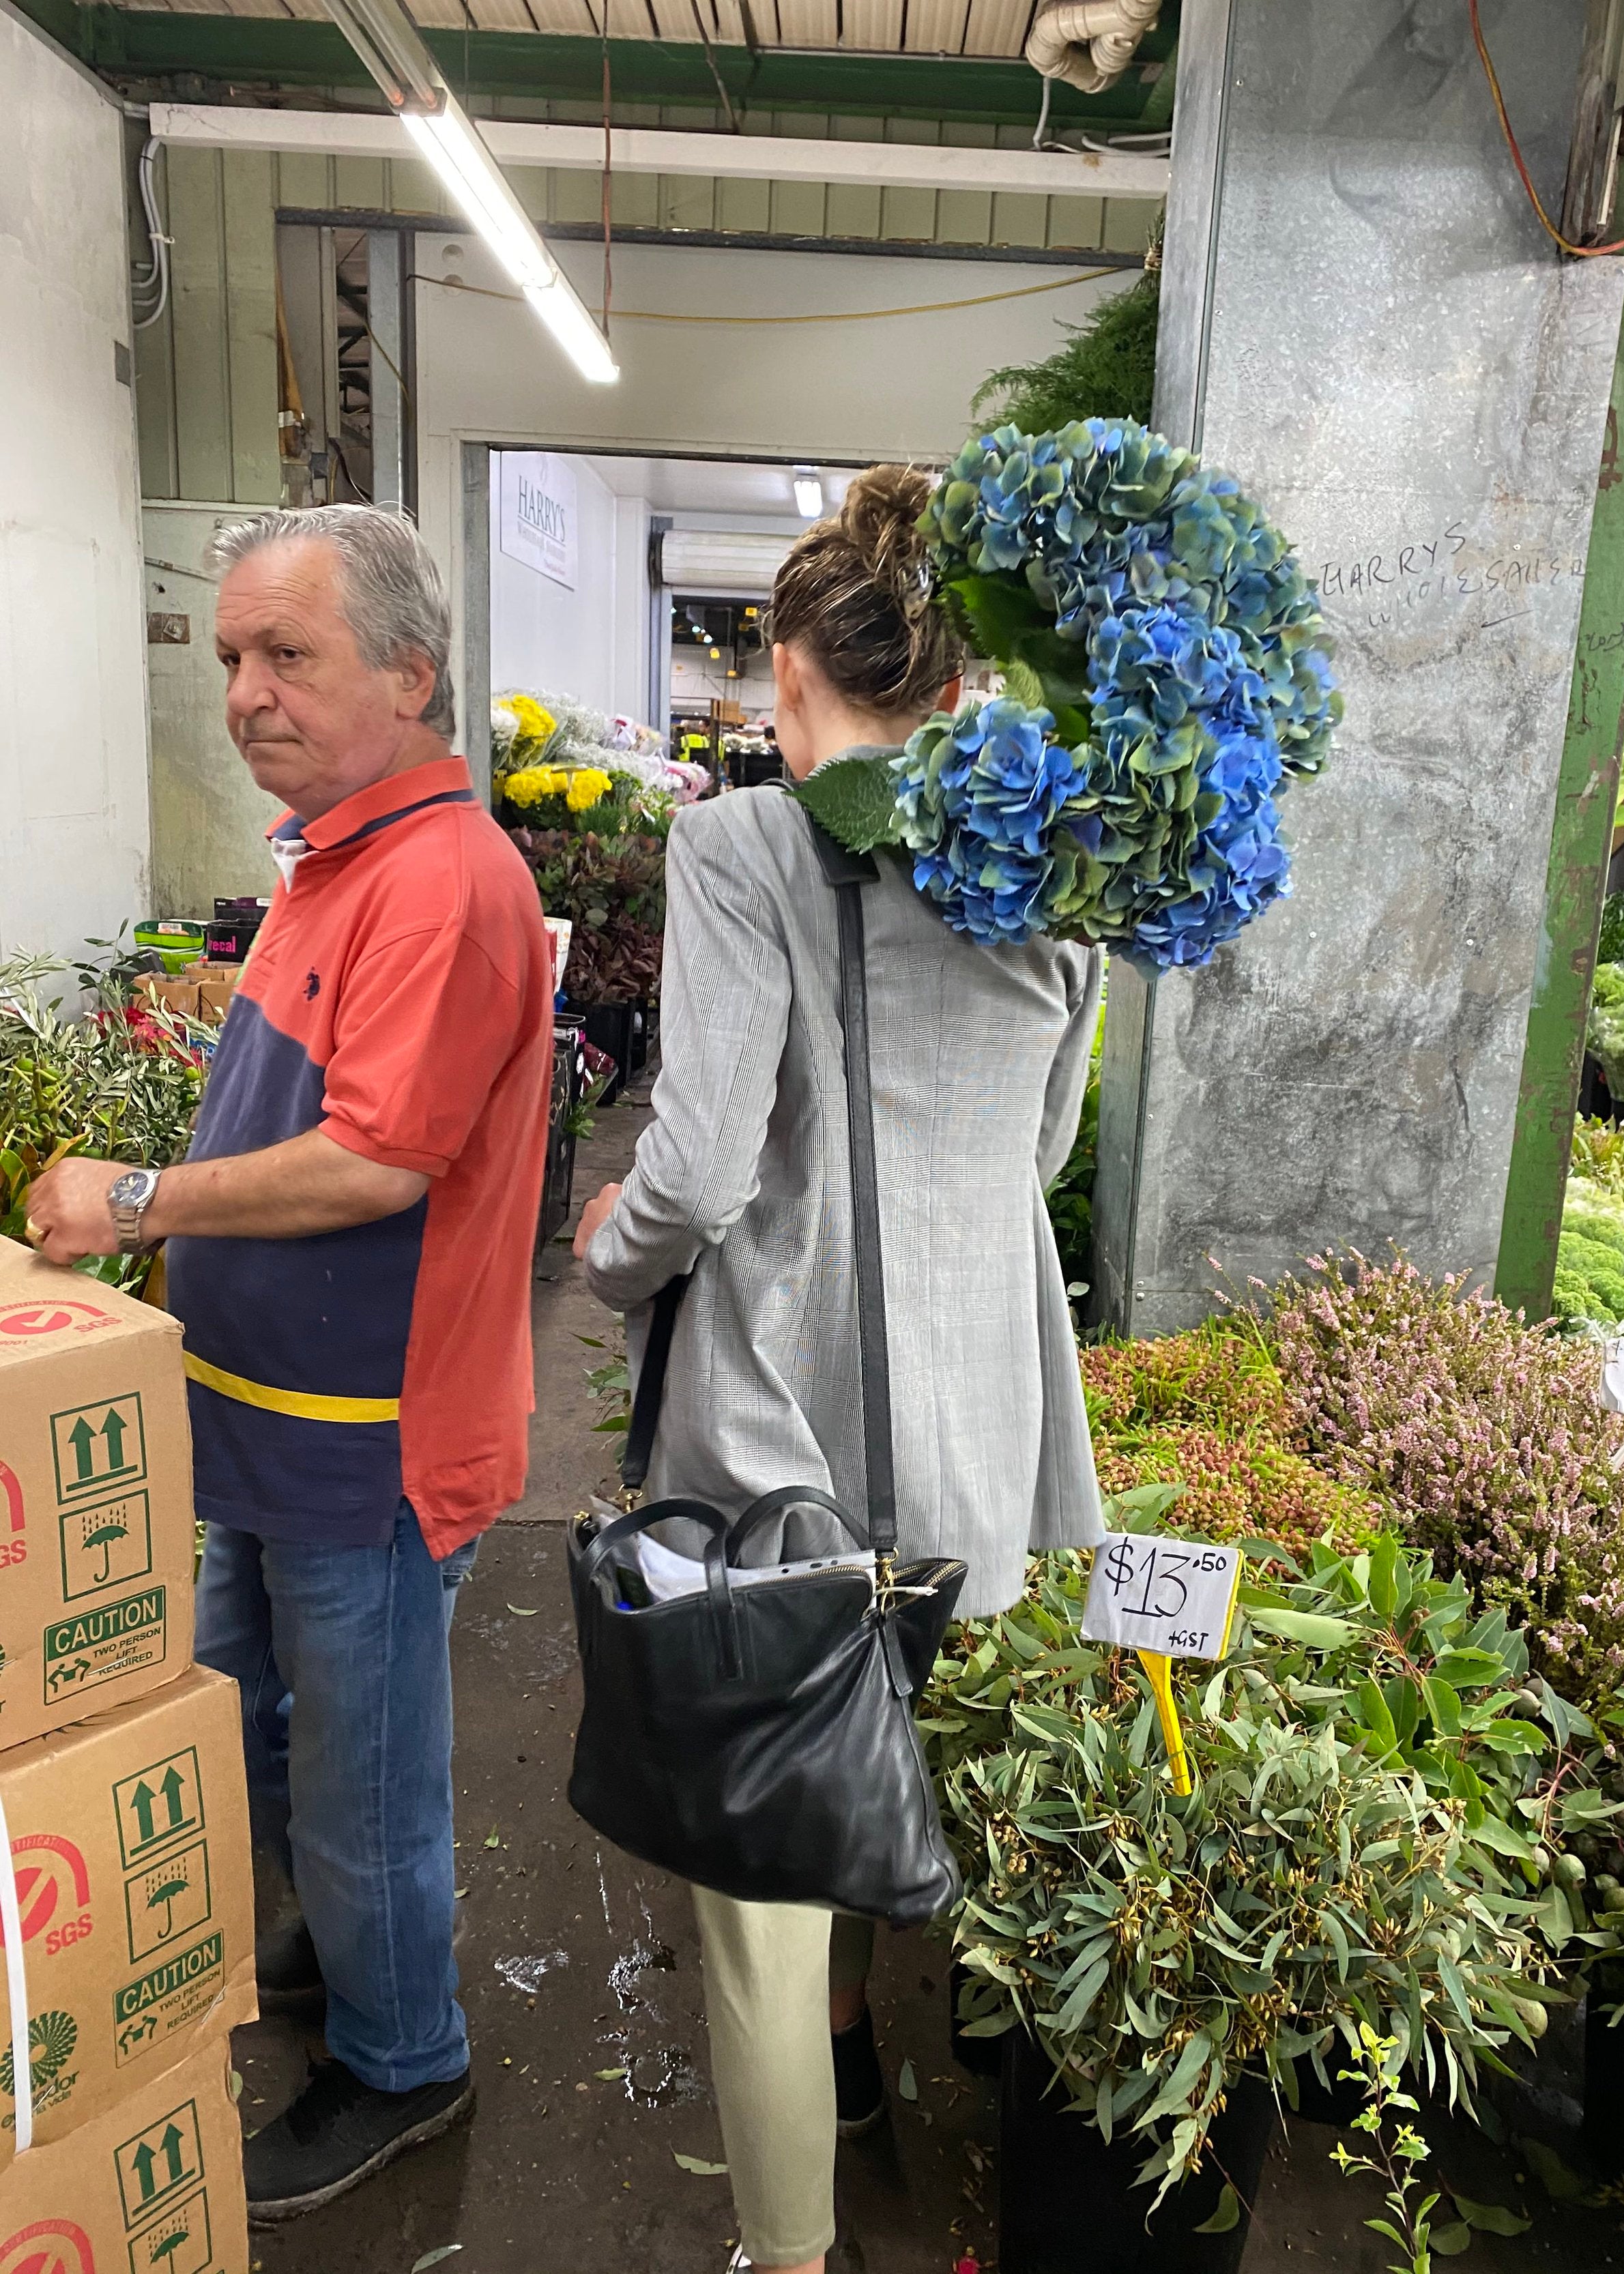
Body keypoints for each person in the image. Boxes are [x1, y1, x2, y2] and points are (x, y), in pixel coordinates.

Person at [573, 466, 1103, 2274]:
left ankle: (787, 2253)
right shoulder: (1057, 881)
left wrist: (604, 1256)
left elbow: (702, 1164)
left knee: (766, 1899)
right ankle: (868, 2065)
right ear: (954, 688)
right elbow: (1036, 1152)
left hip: (777, 1450)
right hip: (990, 1447)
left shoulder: (738, 847)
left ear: (795, 667)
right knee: (921, 1772)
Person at [28, 505, 553, 2221]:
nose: (244, 690)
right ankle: (341, 1967)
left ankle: (408, 2061)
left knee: (366, 1782)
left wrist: (134, 1196)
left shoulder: (448, 880)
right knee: (253, 1731)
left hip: (370, 1449)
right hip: (252, 1427)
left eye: (289, 656)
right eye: (236, 654)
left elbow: (376, 1162)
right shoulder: (330, 853)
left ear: (406, 674)